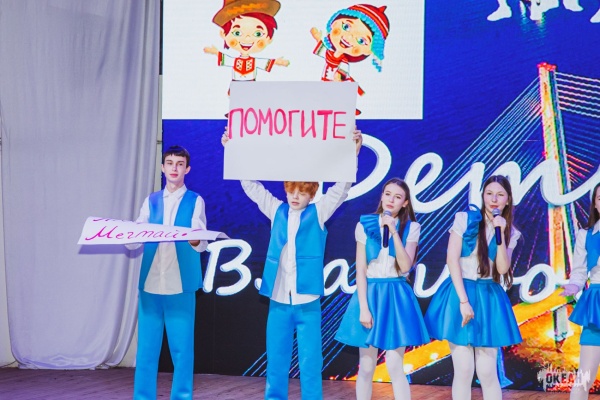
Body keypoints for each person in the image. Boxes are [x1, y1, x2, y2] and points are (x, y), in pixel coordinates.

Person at [222, 129, 362, 400]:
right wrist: (233, 151)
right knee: (276, 360)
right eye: (291, 190)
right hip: (278, 300)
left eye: (302, 192)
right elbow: (252, 187)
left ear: (312, 193)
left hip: (307, 301)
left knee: (311, 362)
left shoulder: (319, 212)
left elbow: (341, 189)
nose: (295, 196)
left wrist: (352, 154)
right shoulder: (276, 210)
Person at [424, 175, 522, 400]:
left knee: (487, 372)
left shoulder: (511, 232)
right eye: (489, 193)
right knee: (464, 369)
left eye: (500, 195)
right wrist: (463, 301)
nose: (494, 199)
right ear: (482, 196)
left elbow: (502, 267)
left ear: (508, 200)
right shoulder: (464, 219)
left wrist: (501, 235)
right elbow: (452, 259)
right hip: (461, 291)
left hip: (489, 296)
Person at [335, 178, 429, 400]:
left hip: (396, 295)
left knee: (395, 365)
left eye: (397, 197)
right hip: (371, 293)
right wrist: (363, 308)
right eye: (388, 194)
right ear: (382, 196)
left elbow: (405, 267)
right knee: (367, 365)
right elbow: (360, 269)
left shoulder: (411, 228)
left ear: (405, 203)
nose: (391, 200)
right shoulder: (365, 225)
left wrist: (394, 232)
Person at [127, 145, 208, 400]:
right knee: (146, 350)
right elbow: (135, 240)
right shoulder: (150, 201)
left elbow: (201, 242)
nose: (174, 168)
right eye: (170, 163)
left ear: (187, 169)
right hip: (151, 284)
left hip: (180, 285)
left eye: (180, 164)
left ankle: (181, 396)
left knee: (182, 351)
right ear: (163, 167)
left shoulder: (195, 200)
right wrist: (128, 234)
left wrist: (195, 239)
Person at [561, 182, 600, 400]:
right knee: (584, 379)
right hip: (596, 305)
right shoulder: (586, 235)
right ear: (595, 204)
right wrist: (574, 286)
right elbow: (579, 271)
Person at [204, 0, 289, 87]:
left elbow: (265, 62)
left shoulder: (254, 62)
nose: (247, 39)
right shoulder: (235, 61)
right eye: (237, 33)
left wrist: (277, 62)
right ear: (223, 34)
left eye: (258, 34)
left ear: (269, 38)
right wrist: (215, 52)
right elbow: (225, 59)